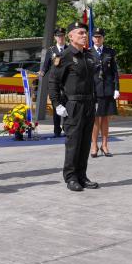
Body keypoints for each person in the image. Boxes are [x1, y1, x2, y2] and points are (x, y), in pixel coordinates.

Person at [48, 21, 99, 192]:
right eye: (80, 33)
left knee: (85, 143)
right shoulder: (64, 57)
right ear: (70, 36)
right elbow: (53, 82)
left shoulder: (88, 55)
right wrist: (57, 104)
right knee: (73, 143)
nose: (84, 36)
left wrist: (95, 100)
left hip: (88, 104)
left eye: (85, 33)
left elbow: (92, 81)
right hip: (73, 105)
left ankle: (82, 175)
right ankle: (70, 177)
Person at [89, 28, 120, 157]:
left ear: (103, 38)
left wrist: (117, 88)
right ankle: (94, 145)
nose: (97, 39)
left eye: (100, 37)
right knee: (95, 119)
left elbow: (114, 72)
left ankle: (105, 145)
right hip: (94, 90)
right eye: (95, 37)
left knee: (106, 119)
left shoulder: (110, 52)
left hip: (107, 89)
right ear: (92, 38)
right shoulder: (88, 53)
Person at [38, 27, 67, 137]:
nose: (61, 38)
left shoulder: (69, 49)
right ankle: (57, 129)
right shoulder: (51, 50)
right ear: (55, 37)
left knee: (67, 104)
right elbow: (46, 65)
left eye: (62, 36)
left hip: (66, 82)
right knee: (57, 106)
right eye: (58, 36)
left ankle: (66, 127)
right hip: (54, 82)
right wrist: (42, 72)